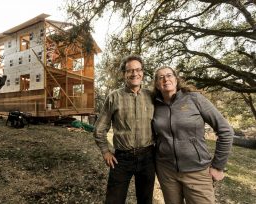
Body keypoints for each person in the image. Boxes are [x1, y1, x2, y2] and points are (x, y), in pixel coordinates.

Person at [152, 66, 234, 204]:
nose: (166, 79)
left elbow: (226, 130)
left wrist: (218, 166)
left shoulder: (194, 99)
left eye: (169, 75)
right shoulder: (154, 105)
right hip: (167, 172)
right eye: (161, 77)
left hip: (197, 171)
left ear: (176, 79)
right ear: (156, 84)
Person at [94, 55, 155, 204]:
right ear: (124, 74)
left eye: (138, 70)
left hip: (148, 157)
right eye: (130, 70)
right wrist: (105, 151)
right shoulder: (114, 97)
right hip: (122, 159)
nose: (135, 73)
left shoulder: (152, 96)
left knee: (145, 200)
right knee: (113, 200)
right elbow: (99, 129)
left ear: (143, 73)